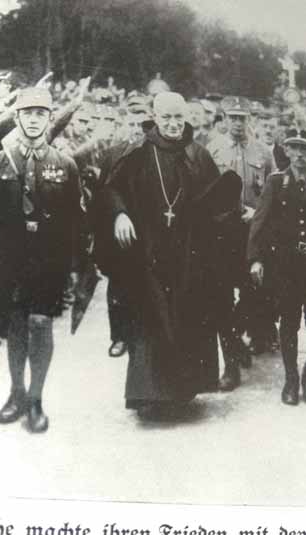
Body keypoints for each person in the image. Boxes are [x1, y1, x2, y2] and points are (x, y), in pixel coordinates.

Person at [102, 91, 236, 418]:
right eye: (166, 118)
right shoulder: (138, 152)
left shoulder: (198, 154)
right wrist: (119, 214)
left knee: (186, 316)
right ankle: (148, 395)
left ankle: (181, 393)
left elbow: (216, 202)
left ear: (186, 118)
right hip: (147, 249)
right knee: (150, 318)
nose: (173, 124)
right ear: (155, 118)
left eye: (178, 117)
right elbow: (111, 187)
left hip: (189, 252)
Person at [0, 87, 83, 432]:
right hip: (10, 256)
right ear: (17, 118)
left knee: (40, 322)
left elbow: (75, 222)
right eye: (27, 114)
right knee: (16, 323)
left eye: (40, 114)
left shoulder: (64, 164)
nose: (34, 120)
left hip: (49, 257)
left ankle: (36, 399)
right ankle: (16, 392)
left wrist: (76, 266)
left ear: (49, 119)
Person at [208, 96, 273, 389]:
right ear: (224, 119)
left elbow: (272, 194)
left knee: (253, 294)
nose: (237, 123)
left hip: (252, 234)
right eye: (232, 117)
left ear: (250, 120)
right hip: (222, 235)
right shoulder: (213, 150)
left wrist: (256, 214)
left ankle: (239, 339)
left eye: (242, 118)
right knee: (221, 297)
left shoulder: (264, 152)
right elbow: (206, 193)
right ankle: (231, 365)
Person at [248, 128, 306, 405]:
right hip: (287, 266)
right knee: (289, 322)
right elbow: (259, 221)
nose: (300, 154)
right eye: (295, 148)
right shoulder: (276, 182)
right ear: (287, 151)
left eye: (305, 149)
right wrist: (256, 258)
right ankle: (291, 380)